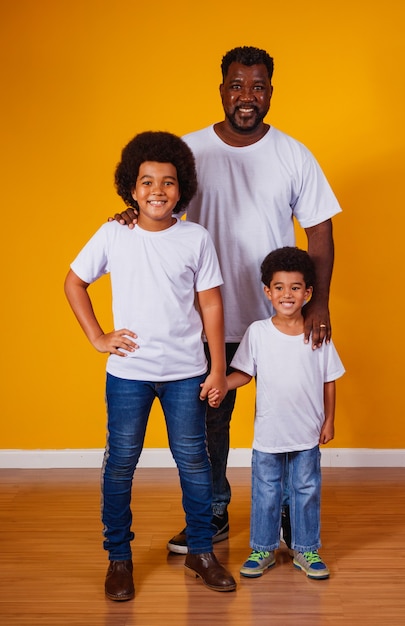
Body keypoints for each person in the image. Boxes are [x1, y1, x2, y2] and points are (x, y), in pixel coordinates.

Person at [111, 46, 342, 555]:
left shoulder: (293, 154)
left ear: (270, 93)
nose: (247, 97)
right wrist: (129, 214)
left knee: (290, 413)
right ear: (221, 89)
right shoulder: (189, 152)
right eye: (237, 85)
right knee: (211, 418)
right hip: (205, 317)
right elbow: (156, 202)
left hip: (279, 317)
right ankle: (214, 513)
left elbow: (320, 230)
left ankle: (286, 518)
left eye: (258, 87)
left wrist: (318, 304)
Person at [64, 131, 236, 601]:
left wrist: (217, 369)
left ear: (182, 189)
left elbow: (212, 306)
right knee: (120, 465)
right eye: (146, 181)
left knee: (194, 464)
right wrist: (98, 337)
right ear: (131, 188)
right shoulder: (113, 233)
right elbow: (74, 282)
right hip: (128, 376)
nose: (157, 190)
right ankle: (118, 559)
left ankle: (202, 552)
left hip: (186, 372)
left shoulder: (195, 238)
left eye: (168, 182)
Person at [208, 247, 345, 579]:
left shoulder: (318, 334)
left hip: (307, 434)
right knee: (266, 491)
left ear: (308, 292)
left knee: (306, 490)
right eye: (279, 287)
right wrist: (223, 384)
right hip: (269, 434)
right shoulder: (258, 332)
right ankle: (263, 548)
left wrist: (329, 420)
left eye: (296, 287)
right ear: (268, 292)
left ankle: (306, 549)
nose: (288, 294)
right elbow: (244, 373)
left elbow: (329, 381)